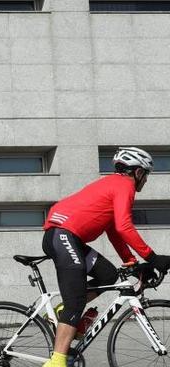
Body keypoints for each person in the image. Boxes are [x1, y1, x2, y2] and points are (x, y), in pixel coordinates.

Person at [40, 147, 170, 367]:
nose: (146, 180)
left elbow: (114, 231)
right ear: (137, 172)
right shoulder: (124, 185)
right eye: (146, 174)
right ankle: (57, 362)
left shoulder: (113, 185)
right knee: (76, 302)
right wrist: (152, 257)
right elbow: (124, 226)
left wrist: (132, 263)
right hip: (62, 235)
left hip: (69, 238)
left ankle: (63, 311)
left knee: (108, 274)